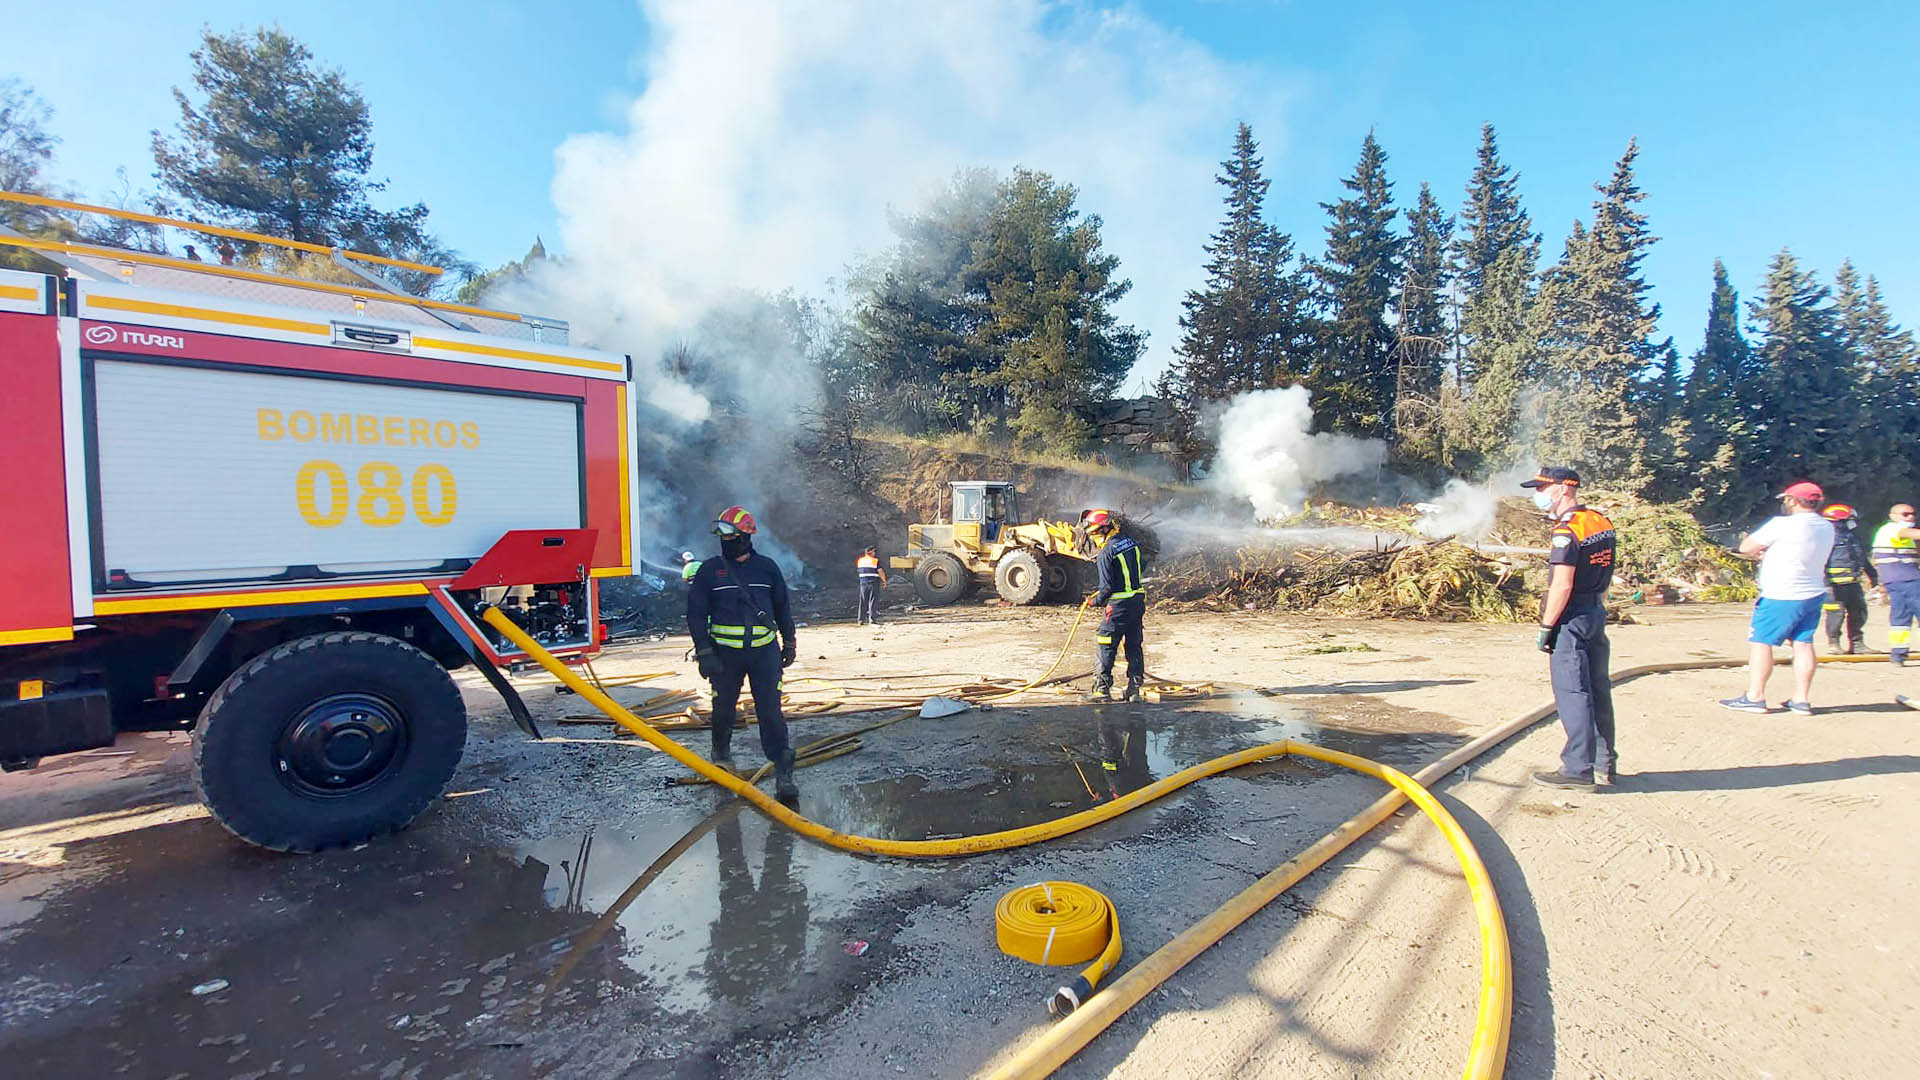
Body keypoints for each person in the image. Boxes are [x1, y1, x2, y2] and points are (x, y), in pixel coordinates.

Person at [686, 505, 800, 800]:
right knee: (723, 710)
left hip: (764, 654)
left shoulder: (767, 569)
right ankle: (721, 757)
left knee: (770, 712)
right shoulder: (709, 571)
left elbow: (782, 607)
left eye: (730, 534)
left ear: (746, 536)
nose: (724, 540)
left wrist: (789, 642)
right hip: (724, 657)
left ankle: (783, 772)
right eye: (720, 534)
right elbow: (695, 613)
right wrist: (704, 651)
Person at [1522, 468, 1619, 792]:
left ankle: (1577, 769)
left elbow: (1561, 585)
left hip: (1572, 617)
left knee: (1573, 693)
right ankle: (1605, 765)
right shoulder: (1600, 521)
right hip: (1594, 611)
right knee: (1598, 690)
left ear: (1563, 489)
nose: (1538, 494)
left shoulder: (1567, 530)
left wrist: (1547, 626)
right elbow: (1606, 573)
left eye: (1542, 488)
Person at [1720, 481, 1835, 714]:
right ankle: (1801, 699)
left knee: (1761, 643)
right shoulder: (1826, 526)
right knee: (1803, 643)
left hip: (1782, 593)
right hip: (1812, 591)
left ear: (1792, 501)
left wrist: (1765, 550)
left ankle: (1755, 696)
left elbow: (1745, 547)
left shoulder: (1782, 524)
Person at [1085, 509, 1146, 702]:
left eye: (1094, 533)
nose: (1093, 538)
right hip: (1137, 602)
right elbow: (1140, 566)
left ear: (1104, 529)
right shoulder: (1131, 543)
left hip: (1119, 605)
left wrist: (1093, 601)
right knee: (1134, 644)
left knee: (1106, 642)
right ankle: (1134, 690)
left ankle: (1101, 689)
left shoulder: (1106, 553)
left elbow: (1106, 589)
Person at [1820, 504, 1878, 654]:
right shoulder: (1825, 537)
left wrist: (1872, 576)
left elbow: (1861, 557)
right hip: (1833, 585)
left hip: (1852, 582)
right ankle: (1834, 644)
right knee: (1835, 614)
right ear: (1840, 520)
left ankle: (1857, 644)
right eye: (1850, 519)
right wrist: (1824, 582)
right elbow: (1819, 560)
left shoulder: (1851, 537)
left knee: (1859, 612)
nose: (1853, 522)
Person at [1873, 503, 1920, 666]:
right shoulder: (1892, 529)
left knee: (1900, 619)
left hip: (1895, 581)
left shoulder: (1892, 533)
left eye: (1912, 514)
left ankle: (1898, 654)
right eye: (1905, 514)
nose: (1910, 517)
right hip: (1908, 580)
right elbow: (1912, 533)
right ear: (1892, 516)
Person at [855, 546, 887, 625]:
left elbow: (859, 571)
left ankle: (860, 620)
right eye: (874, 552)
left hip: (863, 583)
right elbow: (880, 571)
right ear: (871, 552)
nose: (874, 553)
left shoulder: (860, 561)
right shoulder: (875, 561)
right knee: (872, 601)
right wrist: (884, 581)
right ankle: (872, 620)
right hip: (873, 583)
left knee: (863, 601)